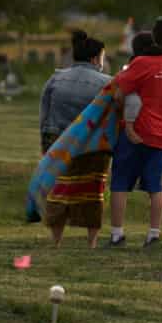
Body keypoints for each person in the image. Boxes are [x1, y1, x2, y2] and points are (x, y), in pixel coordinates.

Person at [109, 17, 162, 248]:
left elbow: (119, 90)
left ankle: (117, 235)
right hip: (161, 133)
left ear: (154, 36)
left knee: (120, 183)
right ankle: (153, 234)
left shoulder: (142, 63)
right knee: (155, 186)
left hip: (134, 131)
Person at [39, 30, 111, 248]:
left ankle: (56, 240)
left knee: (59, 190)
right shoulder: (106, 82)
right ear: (95, 58)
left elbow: (45, 113)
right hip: (92, 145)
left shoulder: (56, 78)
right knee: (92, 191)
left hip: (57, 140)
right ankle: (91, 241)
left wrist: (45, 145)